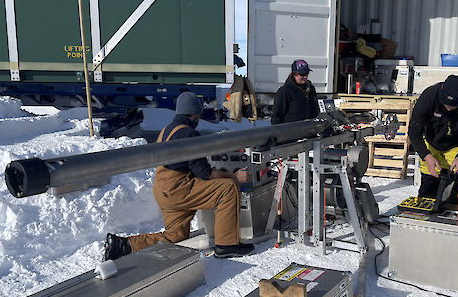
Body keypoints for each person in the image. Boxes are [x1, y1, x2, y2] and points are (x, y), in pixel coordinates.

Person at [104, 91, 255, 260]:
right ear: (195, 114)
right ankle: (227, 245)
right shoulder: (188, 133)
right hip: (178, 189)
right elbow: (204, 173)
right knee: (227, 188)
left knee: (175, 236)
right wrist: (235, 176)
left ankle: (123, 245)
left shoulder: (167, 130)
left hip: (164, 190)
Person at [408, 74, 458, 199]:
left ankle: (451, 206)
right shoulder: (429, 96)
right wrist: (426, 156)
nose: (449, 109)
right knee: (428, 184)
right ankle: (426, 206)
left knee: (454, 187)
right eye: (446, 104)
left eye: (454, 105)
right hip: (432, 143)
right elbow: (414, 131)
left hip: (457, 144)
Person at [271, 59, 320, 124]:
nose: (305, 77)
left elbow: (316, 110)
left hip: (310, 128)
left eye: (307, 73)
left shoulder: (311, 88)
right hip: (292, 130)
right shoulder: (285, 91)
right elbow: (277, 116)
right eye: (302, 74)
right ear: (294, 74)